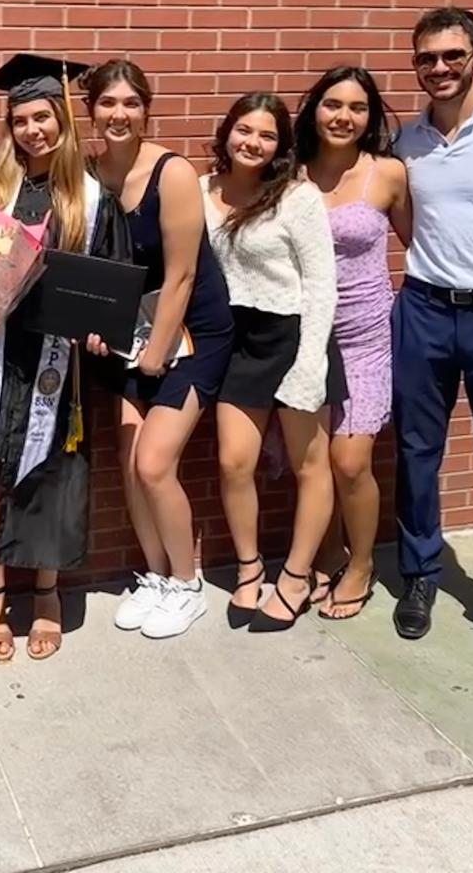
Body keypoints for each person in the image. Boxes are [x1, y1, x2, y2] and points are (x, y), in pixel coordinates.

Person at [0, 54, 129, 662]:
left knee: (48, 474)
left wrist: (97, 331)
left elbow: (111, 283)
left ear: (64, 119)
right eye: (20, 119)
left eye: (42, 116)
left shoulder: (92, 199)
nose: (32, 130)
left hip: (55, 365)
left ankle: (46, 593)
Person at [82, 59, 234, 639]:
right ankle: (155, 575)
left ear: (146, 109)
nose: (119, 114)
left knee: (154, 462)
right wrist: (97, 325)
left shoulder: (172, 172)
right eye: (107, 104)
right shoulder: (90, 173)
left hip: (191, 335)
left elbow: (183, 276)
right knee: (128, 462)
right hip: (131, 335)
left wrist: (158, 351)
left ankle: (187, 583)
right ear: (91, 111)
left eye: (130, 103)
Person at [202, 92, 345, 632]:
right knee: (235, 462)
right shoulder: (200, 191)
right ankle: (249, 567)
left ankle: (296, 577)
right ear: (227, 132)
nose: (253, 143)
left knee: (312, 466)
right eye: (244, 130)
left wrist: (309, 363)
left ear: (281, 145)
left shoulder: (296, 197)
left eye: (266, 135)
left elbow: (321, 285)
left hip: (291, 336)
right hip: (234, 340)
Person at [393, 6, 473, 668]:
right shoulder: (407, 141)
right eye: (426, 58)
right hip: (427, 309)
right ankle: (420, 577)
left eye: (451, 56)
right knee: (415, 453)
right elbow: (410, 225)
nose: (438, 69)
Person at [294, 68, 410, 620]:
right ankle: (326, 554)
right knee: (312, 460)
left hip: (365, 338)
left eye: (357, 107)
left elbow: (421, 245)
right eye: (332, 104)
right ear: (314, 110)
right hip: (304, 340)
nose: (343, 116)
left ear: (370, 117)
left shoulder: (387, 174)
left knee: (349, 461)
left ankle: (361, 565)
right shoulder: (288, 173)